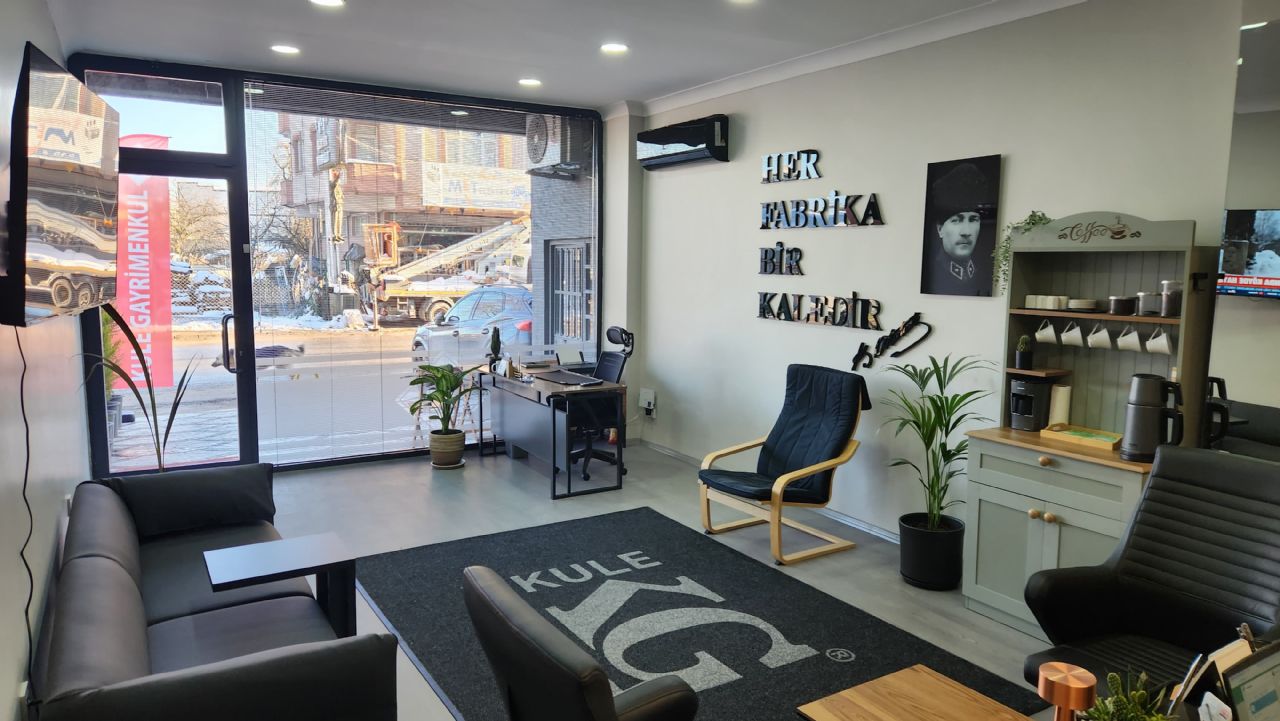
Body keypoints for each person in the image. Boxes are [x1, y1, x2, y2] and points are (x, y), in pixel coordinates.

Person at [922, 161, 995, 296]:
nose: (966, 232)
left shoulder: (985, 275)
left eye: (973, 220)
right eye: (956, 220)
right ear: (940, 229)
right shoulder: (932, 275)